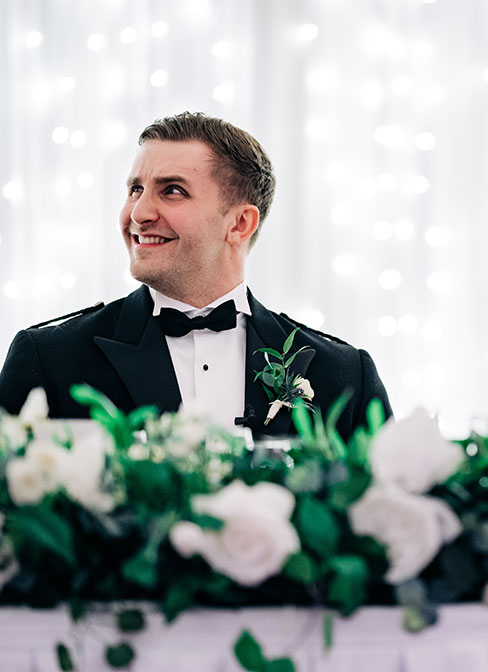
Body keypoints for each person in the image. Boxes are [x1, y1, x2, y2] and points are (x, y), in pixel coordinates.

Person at [0, 112, 391, 439]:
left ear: (239, 224)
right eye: (136, 189)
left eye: (171, 191)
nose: (138, 214)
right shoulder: (50, 359)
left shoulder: (343, 375)